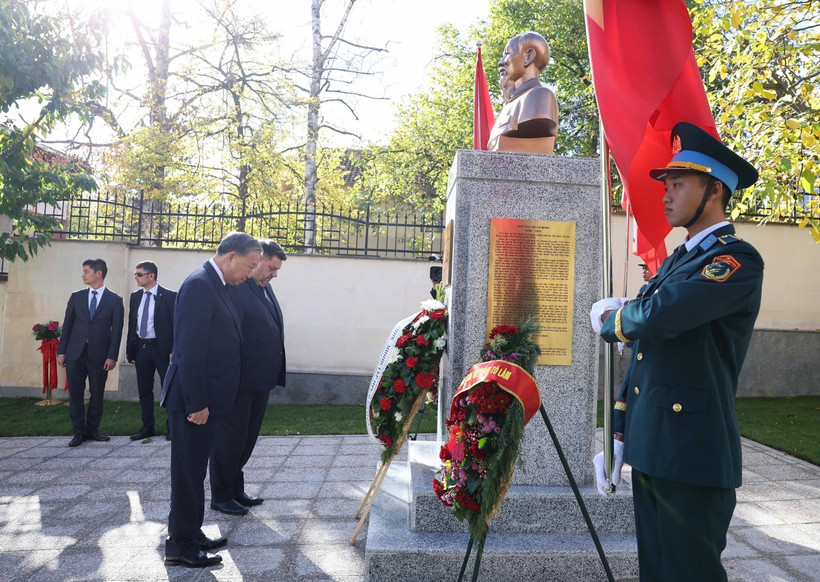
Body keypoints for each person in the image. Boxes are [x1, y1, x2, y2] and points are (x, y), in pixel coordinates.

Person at [591, 122, 763, 582]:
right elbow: (649, 354)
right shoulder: (680, 259)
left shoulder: (736, 260)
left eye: (678, 184)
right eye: (666, 184)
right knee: (658, 572)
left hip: (692, 456)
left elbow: (665, 314)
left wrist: (617, 320)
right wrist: (621, 432)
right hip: (654, 447)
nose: (665, 194)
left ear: (713, 191)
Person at [161, 232, 261, 568]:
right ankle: (181, 546)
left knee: (195, 472)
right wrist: (197, 404)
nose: (250, 273)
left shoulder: (220, 285)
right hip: (193, 403)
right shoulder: (200, 284)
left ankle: (189, 531)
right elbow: (189, 352)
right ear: (231, 256)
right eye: (249, 266)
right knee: (188, 474)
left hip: (208, 400)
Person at [209, 240, 287, 515]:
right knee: (230, 439)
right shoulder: (238, 289)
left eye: (277, 270)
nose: (274, 273)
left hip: (260, 380)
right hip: (239, 381)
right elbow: (229, 336)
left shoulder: (264, 288)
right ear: (256, 260)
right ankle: (220, 495)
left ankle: (235, 488)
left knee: (246, 438)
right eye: (271, 267)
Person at [57, 259, 124, 447]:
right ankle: (78, 432)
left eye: (86, 271)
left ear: (99, 273)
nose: (83, 274)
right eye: (83, 271)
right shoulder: (76, 297)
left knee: (97, 393)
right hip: (74, 354)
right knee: (75, 394)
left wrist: (112, 356)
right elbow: (67, 326)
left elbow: (117, 331)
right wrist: (61, 352)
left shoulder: (115, 300)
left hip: (100, 356)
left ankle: (93, 430)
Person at [125, 261, 176, 441]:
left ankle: (172, 428)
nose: (135, 277)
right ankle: (147, 427)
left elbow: (176, 325)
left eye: (139, 274)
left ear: (151, 276)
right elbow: (132, 324)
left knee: (168, 388)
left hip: (161, 349)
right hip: (141, 347)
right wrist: (130, 351)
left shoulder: (169, 296)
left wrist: (173, 350)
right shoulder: (135, 297)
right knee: (144, 390)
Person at [487, 31, 559, 154]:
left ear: (529, 56)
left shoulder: (540, 96)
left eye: (507, 53)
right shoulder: (510, 105)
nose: (501, 62)